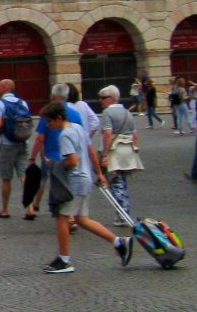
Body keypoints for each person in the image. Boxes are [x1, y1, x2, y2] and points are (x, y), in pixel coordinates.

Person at [39, 102, 133, 274]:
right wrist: (99, 174)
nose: (48, 125)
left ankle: (64, 260)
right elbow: (89, 151)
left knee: (62, 217)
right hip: (86, 178)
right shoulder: (78, 128)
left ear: (58, 118)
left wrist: (56, 165)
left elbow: (72, 161)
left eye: (49, 121)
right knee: (82, 219)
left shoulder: (65, 135)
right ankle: (119, 242)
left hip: (75, 181)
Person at [25, 84, 85, 221]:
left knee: (43, 180)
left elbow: (40, 138)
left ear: (53, 95)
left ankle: (37, 207)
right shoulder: (75, 114)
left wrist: (32, 158)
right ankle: (70, 216)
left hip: (51, 156)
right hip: (72, 157)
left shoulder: (48, 113)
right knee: (69, 183)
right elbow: (81, 135)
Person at [98, 85, 142, 226]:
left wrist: (104, 155)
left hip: (115, 152)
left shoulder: (107, 113)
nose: (101, 101)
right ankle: (123, 213)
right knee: (122, 183)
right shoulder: (127, 112)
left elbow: (107, 134)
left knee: (116, 184)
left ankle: (123, 215)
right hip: (128, 151)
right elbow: (135, 135)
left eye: (103, 98)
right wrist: (135, 149)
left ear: (111, 99)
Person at [0, 79, 29, 220]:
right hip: (23, 141)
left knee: (6, 178)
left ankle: (5, 209)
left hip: (8, 143)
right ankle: (30, 208)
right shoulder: (22, 103)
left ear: (6, 88)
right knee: (23, 175)